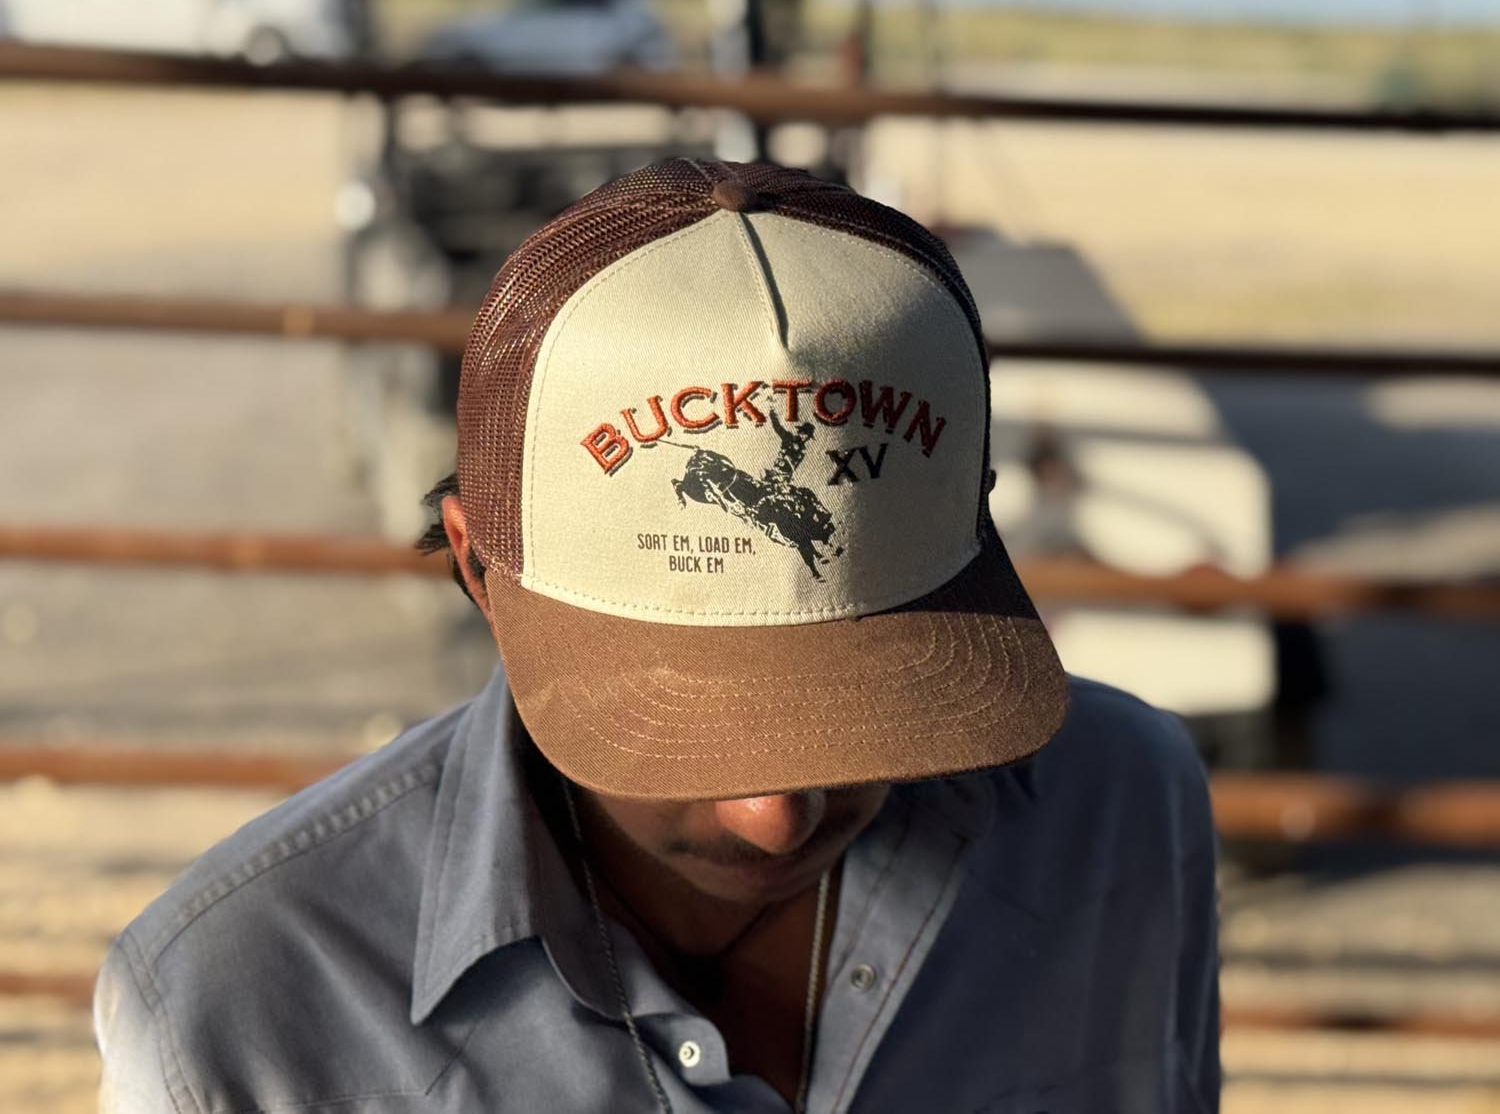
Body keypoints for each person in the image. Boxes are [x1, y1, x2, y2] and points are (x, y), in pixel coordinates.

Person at [94, 159, 1220, 1114]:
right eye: (677, 714)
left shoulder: (1124, 819)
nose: (777, 815)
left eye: (862, 707)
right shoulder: (235, 1021)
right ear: (483, 570)